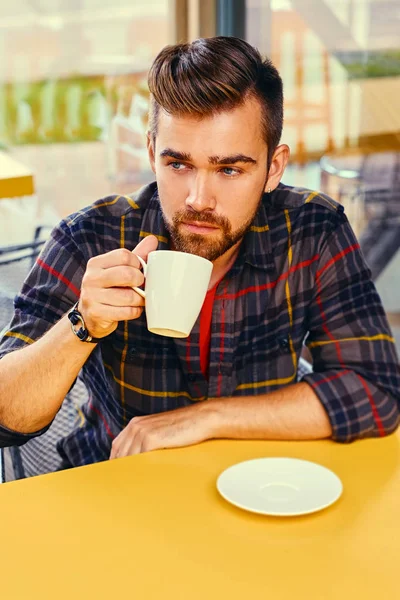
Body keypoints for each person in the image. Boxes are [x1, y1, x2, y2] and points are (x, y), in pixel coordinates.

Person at [0, 37, 399, 468]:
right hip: (116, 483)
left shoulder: (311, 230)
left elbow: (376, 390)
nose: (198, 199)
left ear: (274, 169)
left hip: (261, 484)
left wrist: (204, 419)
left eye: (229, 169)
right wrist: (82, 323)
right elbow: (7, 419)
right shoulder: (91, 238)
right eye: (179, 165)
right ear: (152, 153)